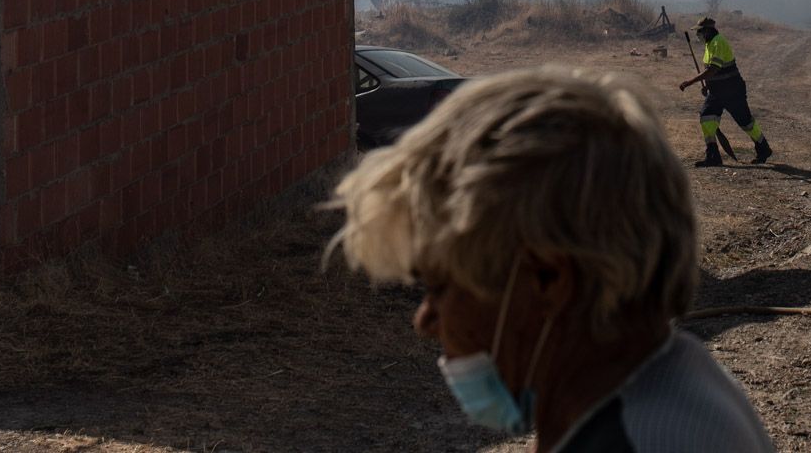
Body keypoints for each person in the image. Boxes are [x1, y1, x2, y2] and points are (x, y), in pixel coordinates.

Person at [329, 66, 773, 453]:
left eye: (440, 286)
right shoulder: (667, 380)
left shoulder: (638, 442)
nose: (424, 321)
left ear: (548, 278)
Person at [677, 16, 772, 167]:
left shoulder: (718, 42)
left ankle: (763, 148)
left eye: (700, 31)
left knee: (745, 122)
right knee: (707, 117)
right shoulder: (710, 44)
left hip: (732, 90)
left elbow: (714, 70)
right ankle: (713, 156)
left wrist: (690, 82)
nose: (698, 35)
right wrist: (708, 86)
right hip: (717, 92)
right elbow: (714, 71)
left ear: (707, 30)